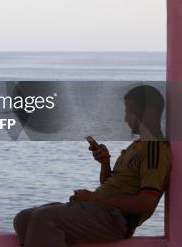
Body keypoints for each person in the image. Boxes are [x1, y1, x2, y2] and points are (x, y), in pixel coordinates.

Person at [13, 85, 171, 247]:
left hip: (116, 220)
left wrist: (93, 198)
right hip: (100, 210)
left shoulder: (155, 149)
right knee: (23, 218)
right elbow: (111, 186)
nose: (125, 119)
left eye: (130, 112)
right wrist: (105, 163)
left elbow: (147, 202)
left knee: (44, 217)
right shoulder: (136, 146)